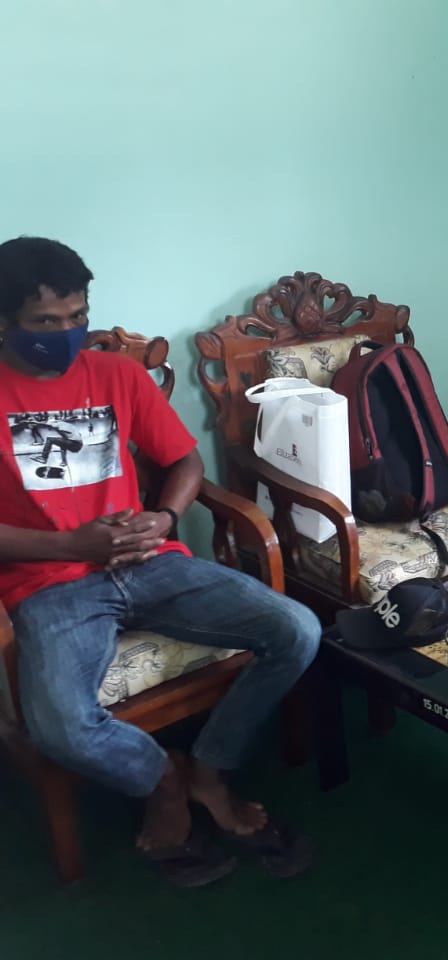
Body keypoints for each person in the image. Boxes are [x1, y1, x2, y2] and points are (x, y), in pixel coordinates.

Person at [0, 236, 322, 886]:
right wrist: (72, 546)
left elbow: (184, 461)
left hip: (151, 562)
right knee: (62, 730)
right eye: (45, 322)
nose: (66, 334)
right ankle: (162, 780)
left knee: (297, 630)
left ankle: (210, 770)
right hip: (51, 586)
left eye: (77, 316)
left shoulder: (116, 375)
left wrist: (166, 517)